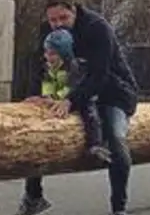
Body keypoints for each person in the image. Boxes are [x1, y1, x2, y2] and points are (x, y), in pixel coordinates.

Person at [11, 0, 140, 215]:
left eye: (63, 18)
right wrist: (36, 95)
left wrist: (70, 101)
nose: (57, 24)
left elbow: (99, 74)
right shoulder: (48, 30)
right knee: (36, 129)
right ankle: (33, 195)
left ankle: (119, 211)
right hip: (72, 91)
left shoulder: (97, 28)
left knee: (115, 139)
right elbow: (39, 66)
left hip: (113, 92)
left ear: (74, 11)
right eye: (52, 20)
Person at [34, 28, 110, 163]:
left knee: (89, 111)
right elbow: (48, 85)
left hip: (77, 98)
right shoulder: (48, 68)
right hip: (61, 99)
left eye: (53, 54)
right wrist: (46, 97)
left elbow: (73, 88)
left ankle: (95, 143)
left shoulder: (75, 68)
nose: (48, 57)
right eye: (46, 53)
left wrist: (60, 98)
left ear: (64, 54)